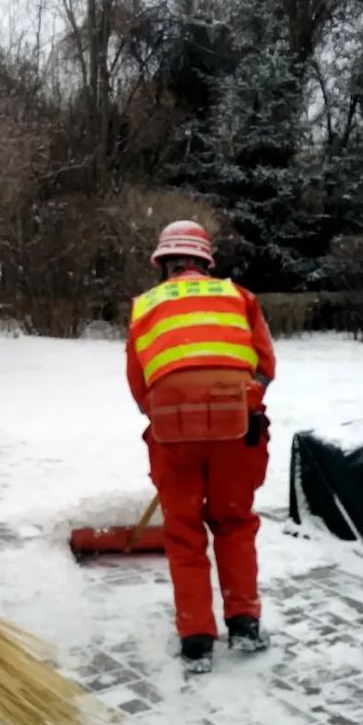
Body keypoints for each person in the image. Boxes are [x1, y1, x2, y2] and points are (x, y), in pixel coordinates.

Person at [126, 220, 277, 674]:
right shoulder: (238, 297)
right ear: (206, 262)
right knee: (233, 522)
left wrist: (170, 412)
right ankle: (245, 624)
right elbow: (265, 366)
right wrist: (242, 401)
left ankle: (196, 640)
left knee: (184, 532)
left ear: (164, 264)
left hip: (173, 433)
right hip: (237, 429)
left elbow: (139, 384)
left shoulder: (145, 306)